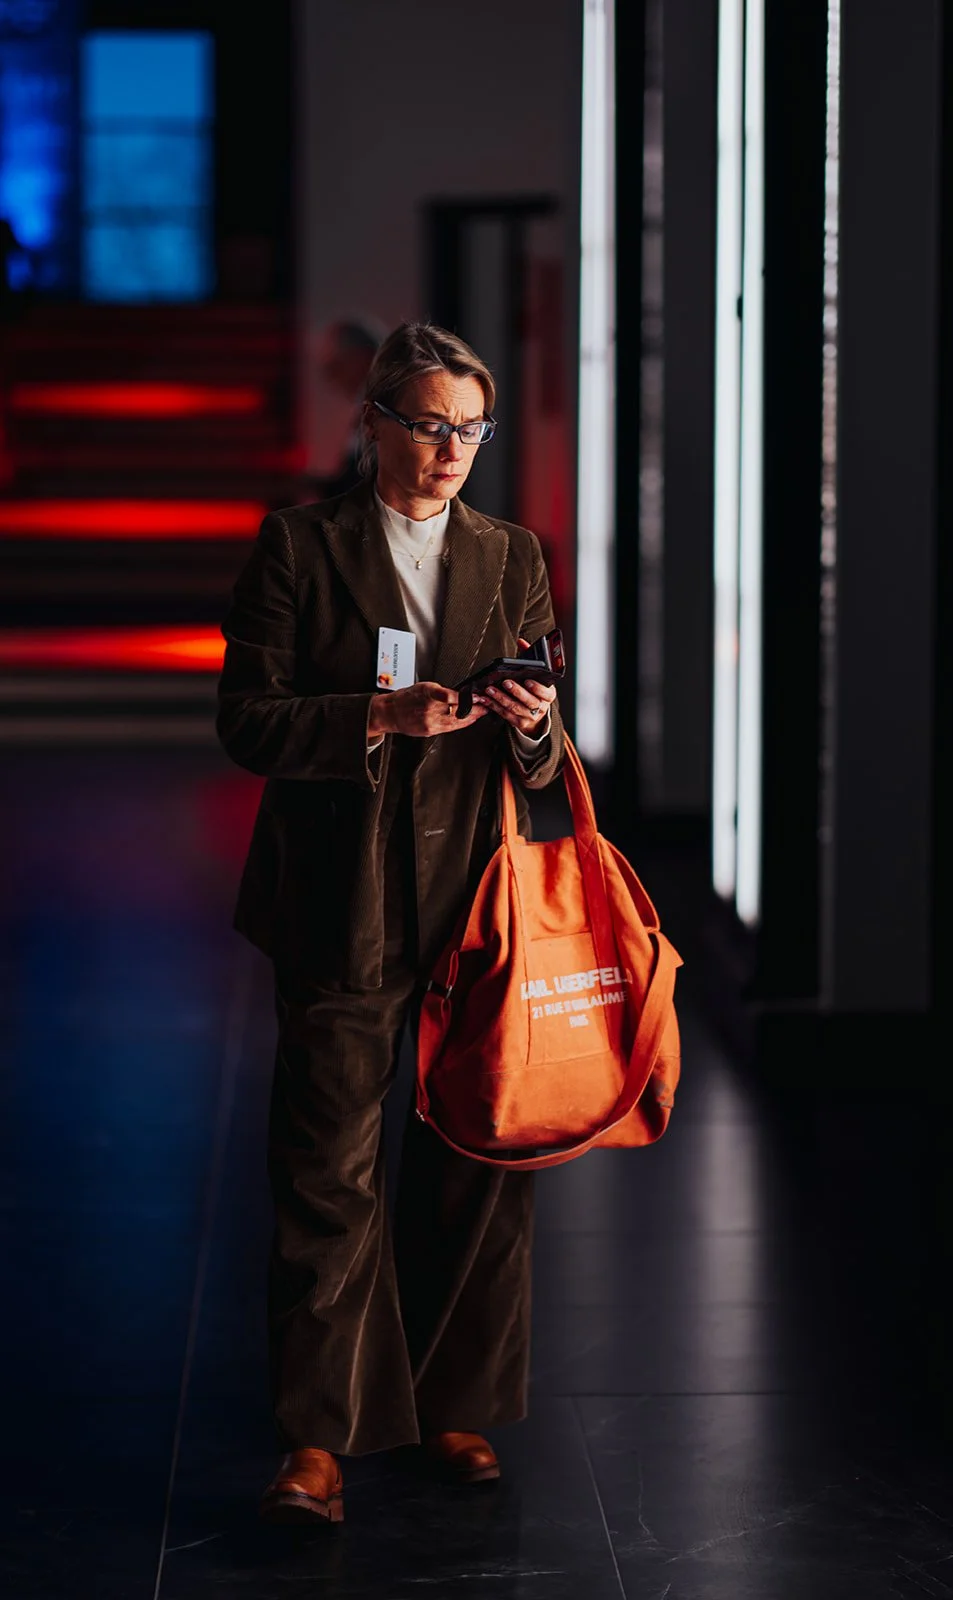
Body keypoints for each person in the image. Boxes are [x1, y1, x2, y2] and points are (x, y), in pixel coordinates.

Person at [216, 321, 565, 1523]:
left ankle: (448, 1402)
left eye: (467, 429)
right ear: (370, 425)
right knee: (327, 1169)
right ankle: (314, 1437)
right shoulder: (297, 549)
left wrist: (526, 723)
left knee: (478, 1160)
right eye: (425, 424)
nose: (448, 449)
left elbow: (542, 745)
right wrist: (373, 719)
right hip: (341, 897)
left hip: (474, 897)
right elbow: (247, 721)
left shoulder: (512, 553)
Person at [305, 316, 384, 499]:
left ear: (363, 356)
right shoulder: (370, 405)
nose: (331, 378)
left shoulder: (385, 406)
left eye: (336, 365)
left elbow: (369, 479)